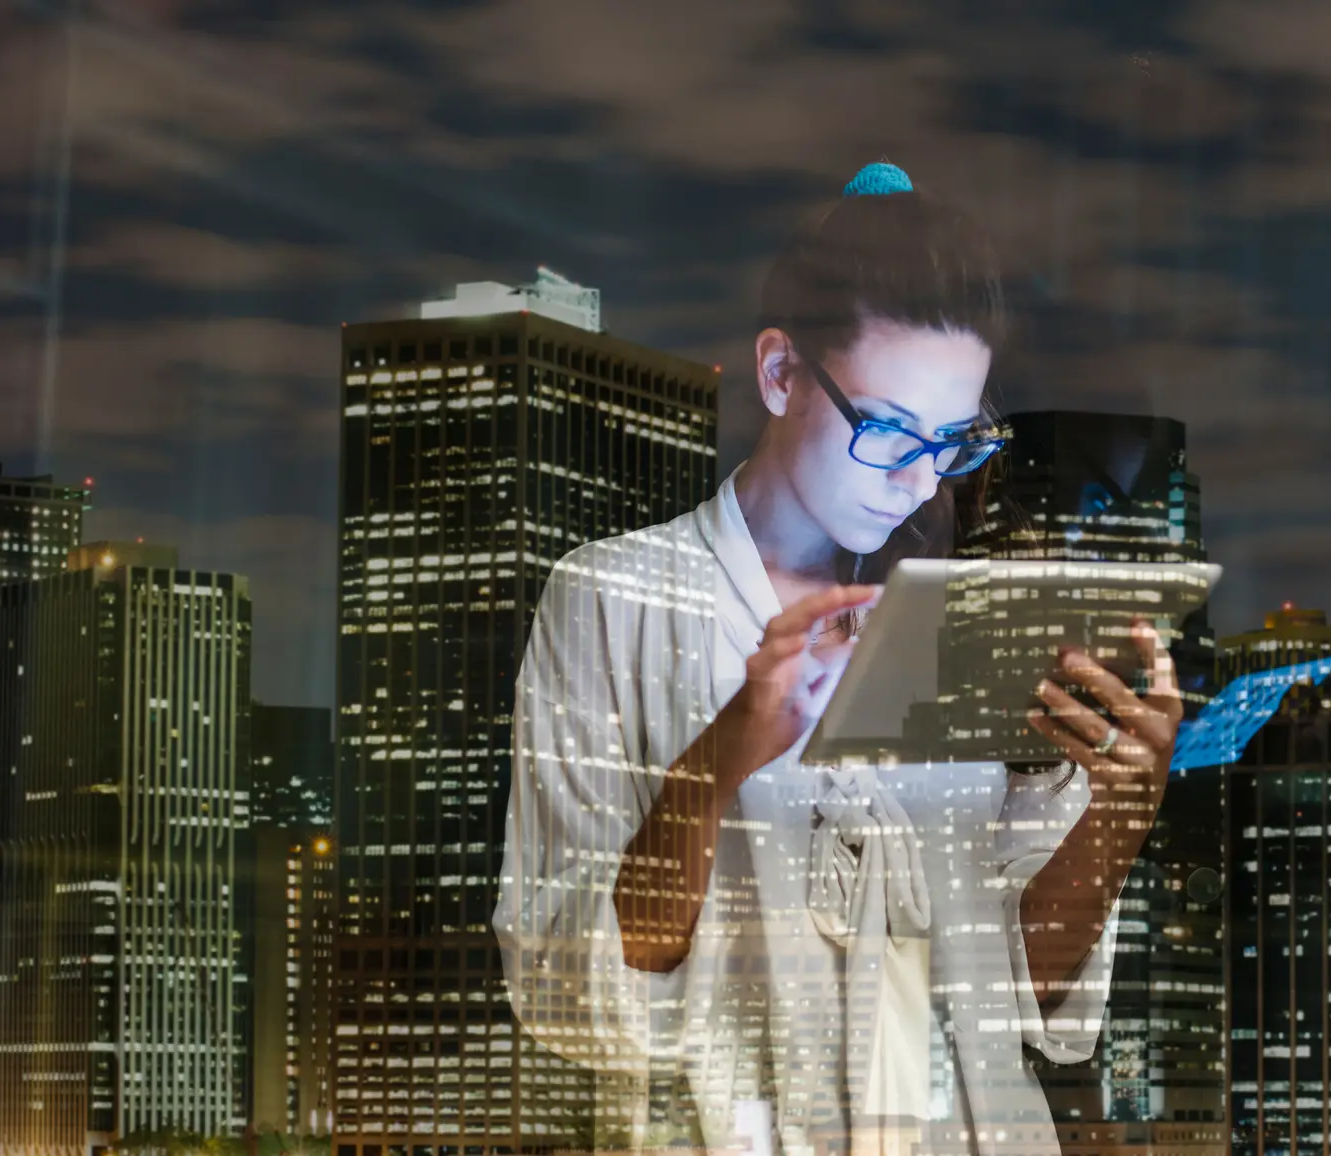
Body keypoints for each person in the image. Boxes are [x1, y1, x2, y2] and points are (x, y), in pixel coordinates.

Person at [494, 162, 1181, 1156]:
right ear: (780, 373)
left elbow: (1021, 996)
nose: (915, 480)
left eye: (953, 443)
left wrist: (1120, 809)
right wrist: (719, 758)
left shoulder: (962, 623)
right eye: (888, 430)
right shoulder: (617, 598)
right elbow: (570, 990)